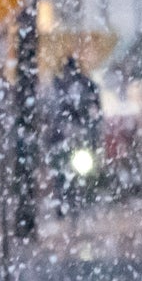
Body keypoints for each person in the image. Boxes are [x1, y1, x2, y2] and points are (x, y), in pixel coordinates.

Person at [48, 55, 103, 219]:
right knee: (64, 171)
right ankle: (66, 202)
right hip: (66, 136)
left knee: (78, 169)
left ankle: (72, 202)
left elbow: (97, 110)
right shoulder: (62, 86)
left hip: (77, 135)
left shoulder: (81, 85)